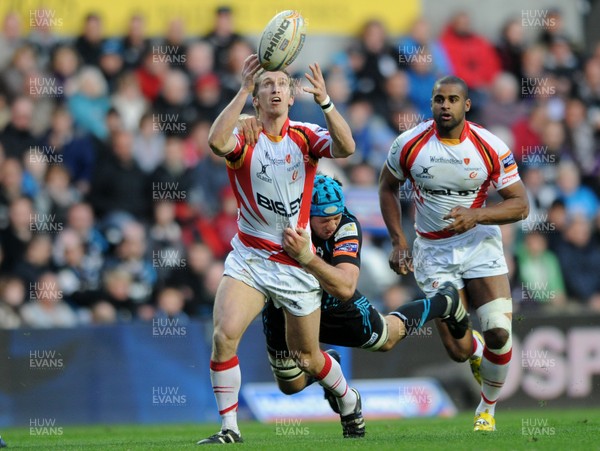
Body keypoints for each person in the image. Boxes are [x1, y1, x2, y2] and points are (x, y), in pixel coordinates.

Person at [198, 54, 361, 445]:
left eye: (282, 85)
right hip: (251, 257)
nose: (275, 89)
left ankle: (348, 398)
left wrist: (326, 103)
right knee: (223, 335)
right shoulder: (244, 136)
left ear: (291, 97)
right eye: (266, 85)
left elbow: (347, 147)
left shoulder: (305, 136)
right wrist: (239, 90)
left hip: (297, 261)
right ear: (257, 97)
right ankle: (230, 429)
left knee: (307, 359)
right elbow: (216, 142)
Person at [378, 75, 529, 432]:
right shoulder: (409, 144)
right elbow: (387, 187)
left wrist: (476, 215)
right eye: (438, 99)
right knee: (459, 351)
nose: (445, 105)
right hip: (432, 251)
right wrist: (399, 241)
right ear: (431, 104)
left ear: (466, 105)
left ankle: (486, 411)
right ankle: (473, 350)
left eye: (452, 99)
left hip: (479, 243)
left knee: (499, 333)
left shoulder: (489, 146)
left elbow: (521, 205)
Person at [258, 174, 468, 404]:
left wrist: (306, 257)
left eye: (335, 217)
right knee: (290, 385)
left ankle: (444, 301)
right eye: (324, 220)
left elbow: (346, 287)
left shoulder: (346, 225)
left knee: (386, 339)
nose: (331, 226)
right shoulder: (283, 223)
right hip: (287, 306)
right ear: (307, 213)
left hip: (334, 303)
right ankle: (330, 365)